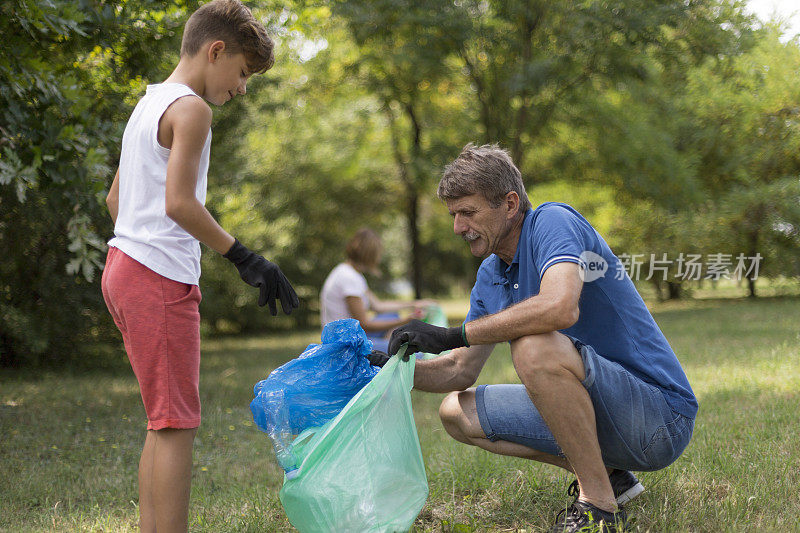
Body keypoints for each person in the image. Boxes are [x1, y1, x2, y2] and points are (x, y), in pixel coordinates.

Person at [386, 144, 697, 532]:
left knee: (534, 346)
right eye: (453, 215)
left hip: (660, 418)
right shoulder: (490, 273)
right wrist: (391, 370)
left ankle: (598, 507)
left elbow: (559, 307)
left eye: (468, 212)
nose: (458, 227)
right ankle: (612, 477)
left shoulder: (551, 221)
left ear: (510, 203)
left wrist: (453, 333)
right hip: (606, 417)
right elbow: (461, 370)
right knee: (455, 411)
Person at [100, 2, 299, 531]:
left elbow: (116, 199)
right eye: (241, 73)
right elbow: (179, 203)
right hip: (155, 279)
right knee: (176, 423)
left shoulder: (148, 103)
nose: (241, 88)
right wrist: (246, 258)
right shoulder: (192, 110)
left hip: (122, 267)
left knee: (162, 422)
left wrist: (140, 246)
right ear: (216, 51)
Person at [320, 228, 433, 352]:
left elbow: (378, 305)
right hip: (345, 347)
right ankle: (388, 353)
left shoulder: (348, 272)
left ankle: (387, 351)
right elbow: (365, 325)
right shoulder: (350, 278)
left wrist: (414, 304)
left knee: (391, 316)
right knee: (417, 355)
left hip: (349, 338)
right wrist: (406, 320)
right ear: (370, 254)